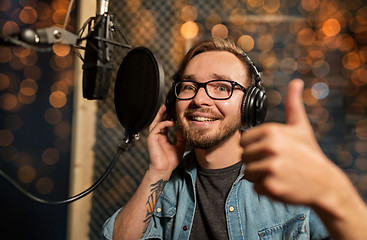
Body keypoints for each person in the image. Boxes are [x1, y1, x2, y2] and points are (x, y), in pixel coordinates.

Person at [101, 38, 366, 240]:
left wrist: (333, 188)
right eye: (189, 86)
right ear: (173, 101)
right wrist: (157, 170)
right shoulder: (168, 183)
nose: (199, 99)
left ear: (250, 105)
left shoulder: (288, 178)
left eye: (221, 87)